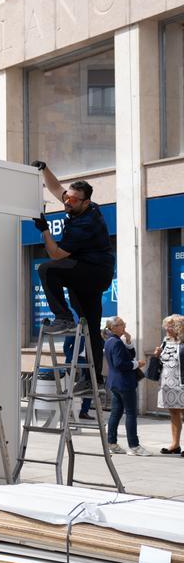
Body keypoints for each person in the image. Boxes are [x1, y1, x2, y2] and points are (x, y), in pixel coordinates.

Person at [30, 161, 114, 390]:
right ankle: (92, 379)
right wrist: (45, 168)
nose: (66, 201)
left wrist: (45, 230)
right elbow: (57, 189)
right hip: (87, 270)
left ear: (85, 202)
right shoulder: (79, 205)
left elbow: (56, 254)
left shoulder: (85, 224)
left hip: (95, 272)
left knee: (46, 269)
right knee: (89, 325)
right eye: (67, 198)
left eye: (72, 200)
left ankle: (63, 316)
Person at [103, 317, 148, 456]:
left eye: (124, 324)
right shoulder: (115, 342)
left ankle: (111, 443)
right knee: (131, 414)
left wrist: (129, 342)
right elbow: (120, 364)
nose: (124, 327)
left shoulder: (112, 341)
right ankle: (134, 446)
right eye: (122, 324)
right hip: (124, 383)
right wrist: (137, 364)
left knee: (116, 413)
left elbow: (129, 355)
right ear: (113, 327)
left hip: (116, 383)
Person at [155, 314, 184, 456]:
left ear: (179, 328)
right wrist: (157, 354)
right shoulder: (165, 341)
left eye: (170, 325)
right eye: (166, 325)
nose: (166, 328)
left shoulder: (183, 342)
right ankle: (175, 444)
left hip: (181, 383)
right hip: (167, 383)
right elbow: (163, 361)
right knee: (173, 413)